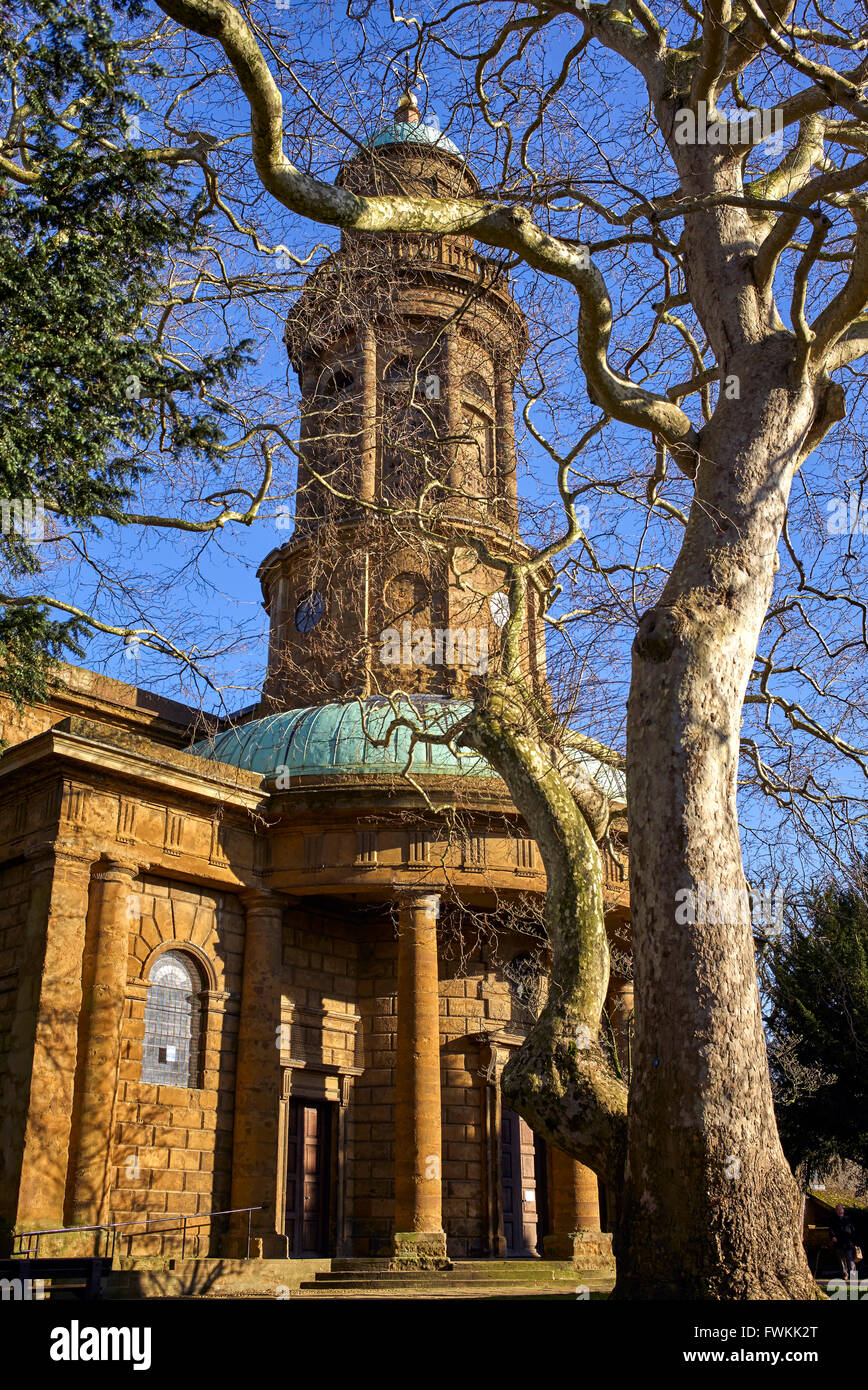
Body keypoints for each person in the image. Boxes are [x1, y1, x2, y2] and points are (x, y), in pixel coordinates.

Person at [829, 1204, 858, 1279]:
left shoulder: (848, 1219)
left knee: (850, 1260)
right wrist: (833, 1237)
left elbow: (853, 1231)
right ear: (836, 1211)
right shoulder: (833, 1220)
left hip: (848, 1243)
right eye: (838, 1210)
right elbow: (831, 1230)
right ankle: (845, 1275)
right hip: (838, 1243)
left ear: (843, 1210)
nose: (840, 1211)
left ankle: (854, 1276)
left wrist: (854, 1241)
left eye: (841, 1209)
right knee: (842, 1261)